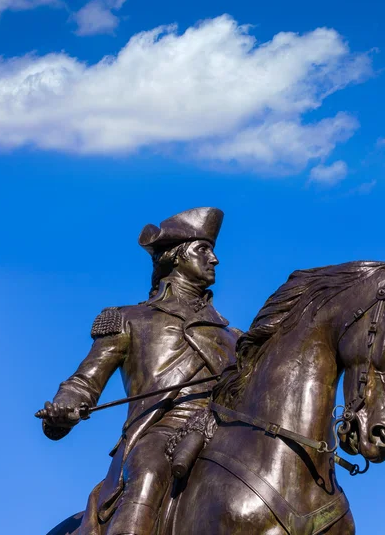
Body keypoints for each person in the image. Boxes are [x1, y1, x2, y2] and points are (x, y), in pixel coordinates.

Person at [37, 208, 239, 535]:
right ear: (175, 257)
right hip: (163, 430)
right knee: (148, 470)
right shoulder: (129, 319)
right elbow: (84, 382)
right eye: (203, 250)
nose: (214, 259)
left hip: (226, 431)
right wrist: (63, 408)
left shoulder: (235, 337)